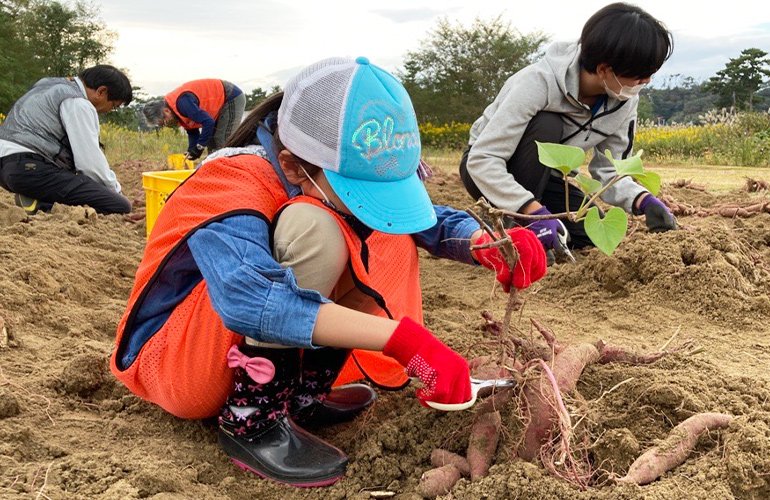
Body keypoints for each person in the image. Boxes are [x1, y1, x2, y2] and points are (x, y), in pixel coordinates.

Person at [111, 57, 546, 487]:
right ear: (293, 165)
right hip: (176, 364)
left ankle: (301, 399)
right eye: (358, 189)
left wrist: (485, 245)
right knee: (318, 226)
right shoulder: (230, 180)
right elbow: (250, 298)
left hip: (233, 349)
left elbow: (422, 219)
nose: (366, 200)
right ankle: (252, 421)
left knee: (383, 227)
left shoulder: (313, 172)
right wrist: (404, 342)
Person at [459, 2, 678, 253]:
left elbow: (610, 170)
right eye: (640, 75)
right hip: (486, 171)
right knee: (547, 125)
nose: (646, 81)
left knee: (589, 232)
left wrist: (643, 201)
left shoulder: (623, 100)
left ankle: (533, 223)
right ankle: (512, 227)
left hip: (546, 178)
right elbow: (483, 159)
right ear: (604, 69)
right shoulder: (537, 83)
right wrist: (532, 212)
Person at [0, 65, 133, 215]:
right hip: (28, 168)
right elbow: (90, 164)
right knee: (120, 205)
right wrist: (116, 192)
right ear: (101, 91)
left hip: (5, 168)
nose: (108, 111)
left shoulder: (49, 85)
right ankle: (41, 205)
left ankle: (34, 196)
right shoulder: (78, 103)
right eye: (113, 105)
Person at [142, 79, 246, 161]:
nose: (166, 125)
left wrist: (199, 147)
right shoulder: (176, 111)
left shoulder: (182, 103)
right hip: (219, 104)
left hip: (231, 97)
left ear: (166, 111)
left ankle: (233, 174)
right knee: (213, 146)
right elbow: (192, 131)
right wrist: (192, 150)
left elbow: (208, 123)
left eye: (163, 122)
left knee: (222, 143)